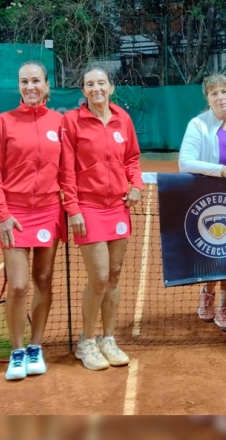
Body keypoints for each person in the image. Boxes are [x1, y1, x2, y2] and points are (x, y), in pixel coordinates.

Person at [0, 60, 67, 381]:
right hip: (14, 214)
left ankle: (36, 346)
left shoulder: (60, 122)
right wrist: (3, 215)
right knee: (19, 285)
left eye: (36, 81)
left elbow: (67, 169)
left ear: (47, 85)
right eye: (24, 81)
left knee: (43, 280)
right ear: (18, 86)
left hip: (49, 211)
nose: (30, 87)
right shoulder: (4, 121)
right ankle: (17, 351)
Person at [61, 65, 142, 371]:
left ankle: (108, 338)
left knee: (115, 274)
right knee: (99, 276)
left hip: (118, 207)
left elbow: (132, 158)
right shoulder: (72, 120)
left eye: (101, 83)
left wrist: (136, 184)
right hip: (88, 208)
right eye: (90, 84)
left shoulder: (123, 119)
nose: (96, 88)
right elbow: (66, 169)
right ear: (83, 90)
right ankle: (86, 341)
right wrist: (73, 209)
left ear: (111, 87)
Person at [178, 73, 226, 333]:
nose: (220, 97)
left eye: (224, 91)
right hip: (211, 200)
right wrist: (224, 170)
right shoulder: (198, 124)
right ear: (207, 98)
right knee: (215, 255)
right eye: (214, 93)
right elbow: (185, 162)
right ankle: (207, 293)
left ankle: (223, 307)